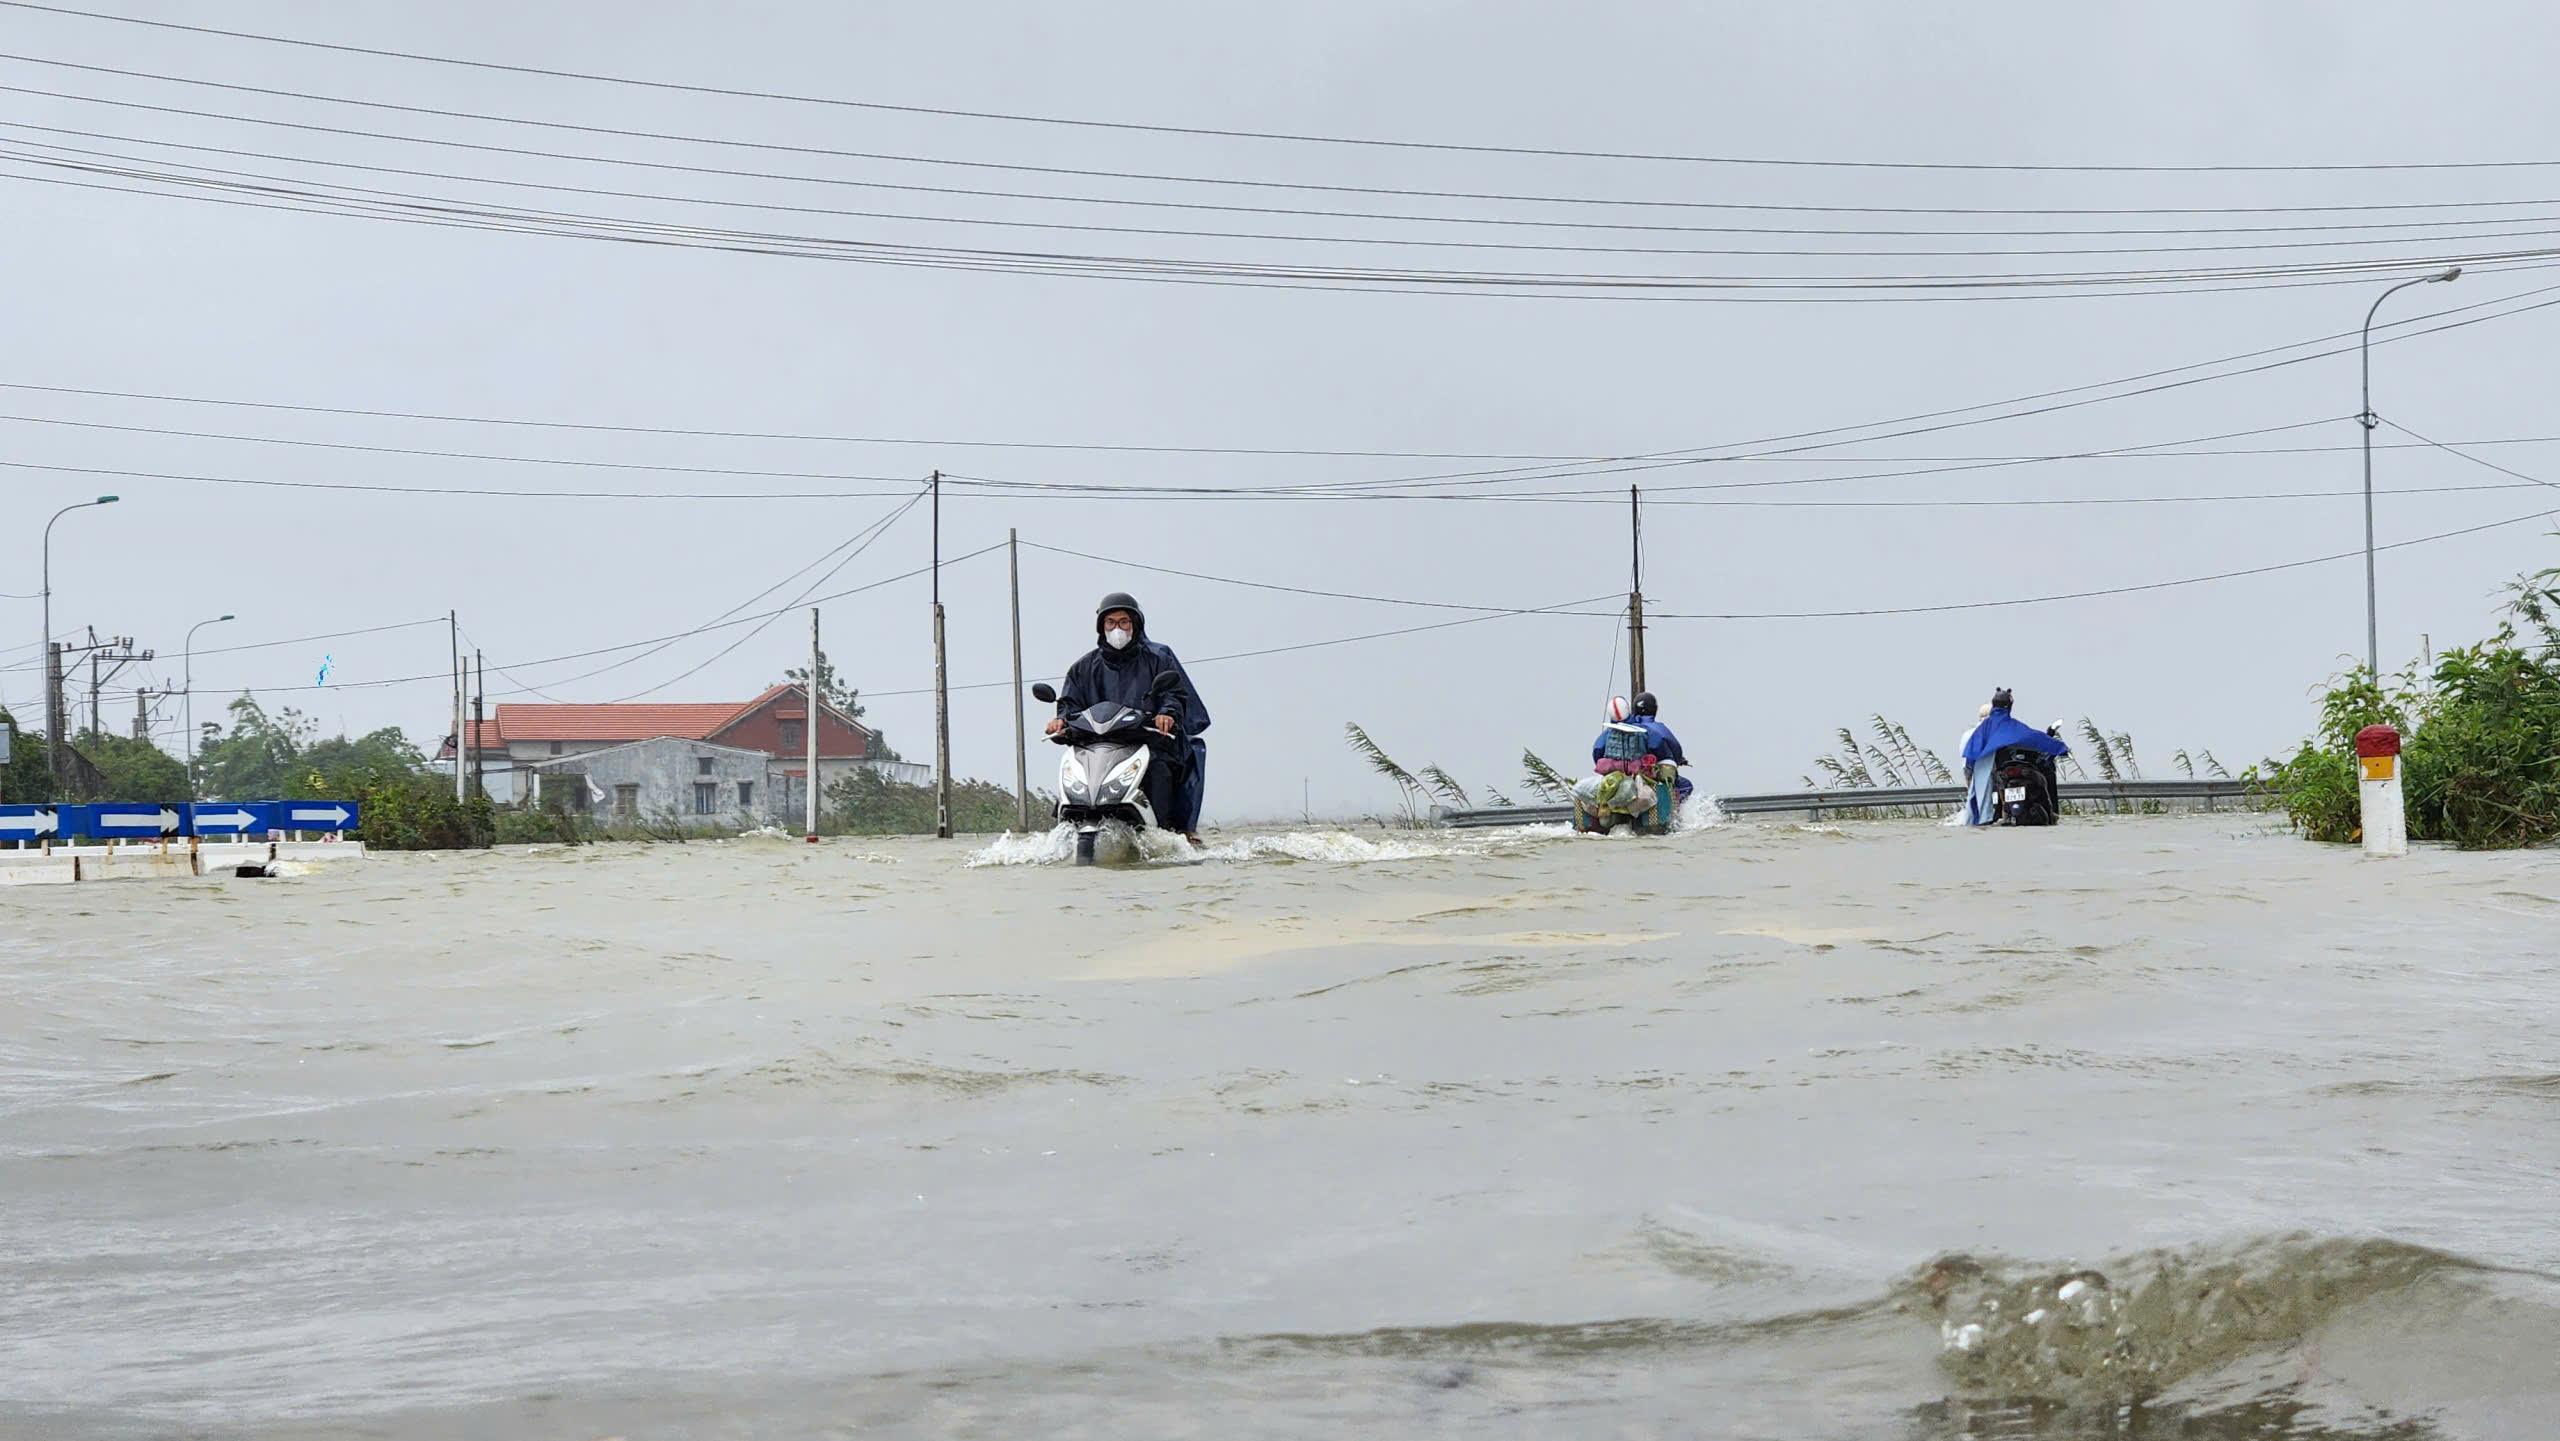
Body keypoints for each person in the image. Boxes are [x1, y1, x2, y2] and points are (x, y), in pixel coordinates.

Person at [1046, 592, 1210, 844]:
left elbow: (1173, 693)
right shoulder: (1084, 666)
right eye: (1111, 622)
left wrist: (1167, 713)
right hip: (1097, 746)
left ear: (1136, 624)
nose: (1117, 629)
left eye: (1124, 622)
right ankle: (1058, 836)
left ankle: (1170, 834)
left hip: (1147, 742)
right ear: (1101, 626)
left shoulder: (1158, 658)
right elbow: (1070, 702)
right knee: (1072, 776)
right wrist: (1061, 720)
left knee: (1160, 770)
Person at [1959, 687, 2069, 826]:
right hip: (2003, 770)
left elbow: (1972, 750)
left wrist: (1971, 767)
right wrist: (2059, 747)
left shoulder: (1983, 729)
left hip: (1992, 771)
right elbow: (2032, 736)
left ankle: (1988, 817)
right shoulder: (2010, 725)